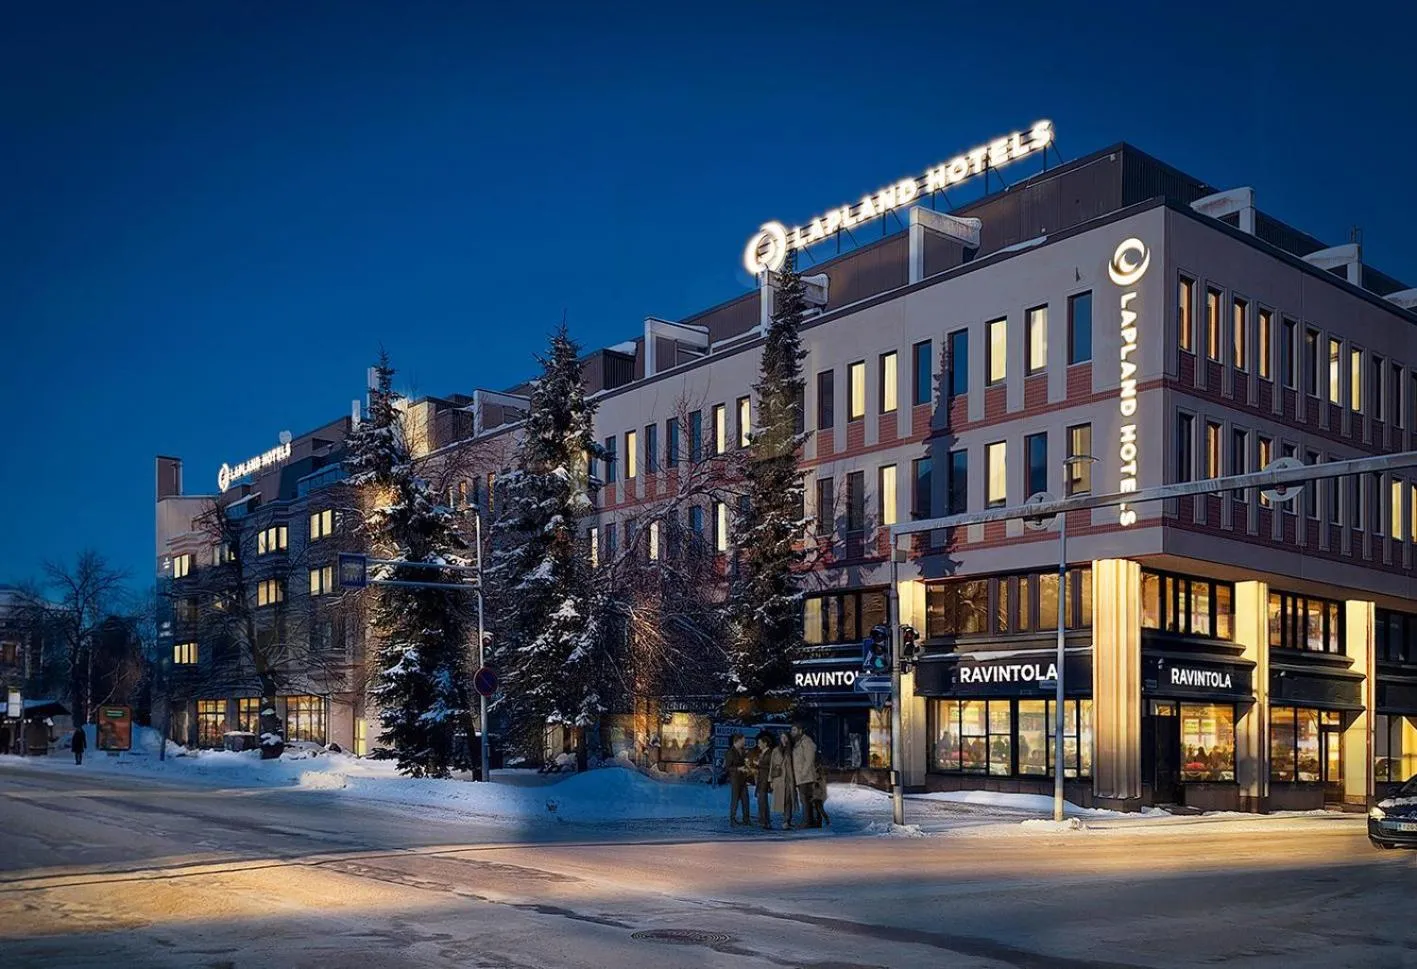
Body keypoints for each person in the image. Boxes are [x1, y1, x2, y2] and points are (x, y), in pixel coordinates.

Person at [790, 723, 820, 828]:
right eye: (792, 730)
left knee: (805, 800)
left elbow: (809, 759)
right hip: (801, 777)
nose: (792, 732)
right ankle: (809, 821)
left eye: (794, 730)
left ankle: (807, 822)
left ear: (800, 730)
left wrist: (803, 773)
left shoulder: (806, 742)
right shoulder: (798, 742)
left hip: (806, 777)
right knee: (805, 800)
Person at [723, 733, 751, 826]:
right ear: (737, 741)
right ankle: (732, 819)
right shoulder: (730, 752)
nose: (744, 742)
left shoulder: (743, 751)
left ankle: (746, 819)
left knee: (745, 799)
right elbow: (727, 767)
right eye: (743, 740)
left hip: (743, 778)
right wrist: (738, 769)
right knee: (735, 799)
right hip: (735, 779)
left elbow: (745, 761)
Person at [770, 731, 796, 829]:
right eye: (782, 737)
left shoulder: (792, 750)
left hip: (789, 778)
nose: (783, 739)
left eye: (785, 737)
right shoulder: (776, 751)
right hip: (779, 778)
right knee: (782, 800)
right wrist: (771, 780)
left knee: (789, 799)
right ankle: (785, 819)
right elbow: (772, 766)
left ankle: (787, 820)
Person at [753, 733, 773, 829]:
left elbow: (770, 767)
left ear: (765, 743)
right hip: (761, 779)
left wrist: (759, 763)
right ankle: (763, 820)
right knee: (761, 800)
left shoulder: (770, 753)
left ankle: (765, 821)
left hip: (765, 779)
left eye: (760, 743)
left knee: (763, 800)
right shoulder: (762, 753)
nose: (758, 745)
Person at [811, 747, 831, 827]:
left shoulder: (819, 769)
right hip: (818, 791)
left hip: (818, 792)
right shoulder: (819, 768)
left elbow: (819, 778)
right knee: (817, 808)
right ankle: (820, 822)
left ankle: (823, 821)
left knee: (818, 808)